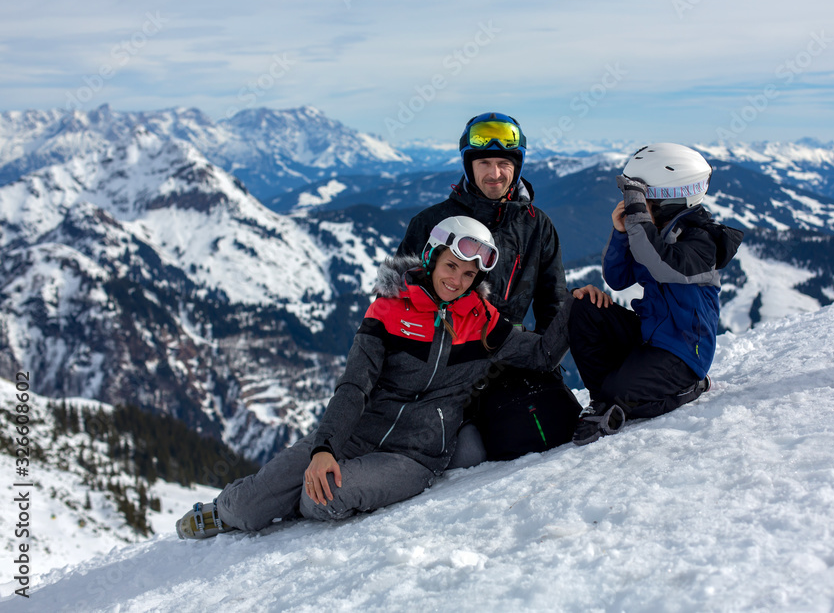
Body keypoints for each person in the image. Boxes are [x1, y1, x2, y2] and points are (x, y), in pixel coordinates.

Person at [176, 216, 571, 539]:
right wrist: (325, 448)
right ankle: (230, 506)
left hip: (413, 455)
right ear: (432, 257)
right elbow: (354, 385)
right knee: (246, 508)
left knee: (322, 500)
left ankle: (284, 499)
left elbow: (541, 354)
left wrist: (576, 308)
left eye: (469, 275)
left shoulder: (483, 323)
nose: (458, 281)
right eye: (451, 266)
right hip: (356, 433)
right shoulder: (389, 310)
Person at [397, 112, 607, 464]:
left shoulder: (536, 226)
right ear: (468, 166)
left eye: (503, 163)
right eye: (484, 163)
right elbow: (401, 302)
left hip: (514, 355)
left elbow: (552, 301)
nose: (494, 173)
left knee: (558, 425)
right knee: (485, 450)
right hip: (448, 364)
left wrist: (545, 362)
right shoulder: (432, 224)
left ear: (517, 166)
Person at [569, 143, 744, 445]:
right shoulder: (654, 233)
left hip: (684, 352)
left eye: (639, 196)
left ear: (668, 198)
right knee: (584, 307)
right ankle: (605, 401)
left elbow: (663, 264)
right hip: (649, 336)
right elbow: (617, 278)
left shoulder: (701, 240)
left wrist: (638, 218)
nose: (631, 202)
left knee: (619, 389)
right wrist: (622, 232)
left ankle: (690, 388)